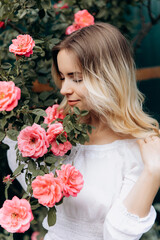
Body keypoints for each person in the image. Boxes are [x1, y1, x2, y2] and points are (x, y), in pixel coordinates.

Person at [5, 22, 160, 240]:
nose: (64, 89)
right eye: (62, 77)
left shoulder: (138, 149)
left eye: (76, 78)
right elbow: (27, 175)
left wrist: (153, 171)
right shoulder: (57, 132)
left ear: (108, 77)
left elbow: (118, 235)